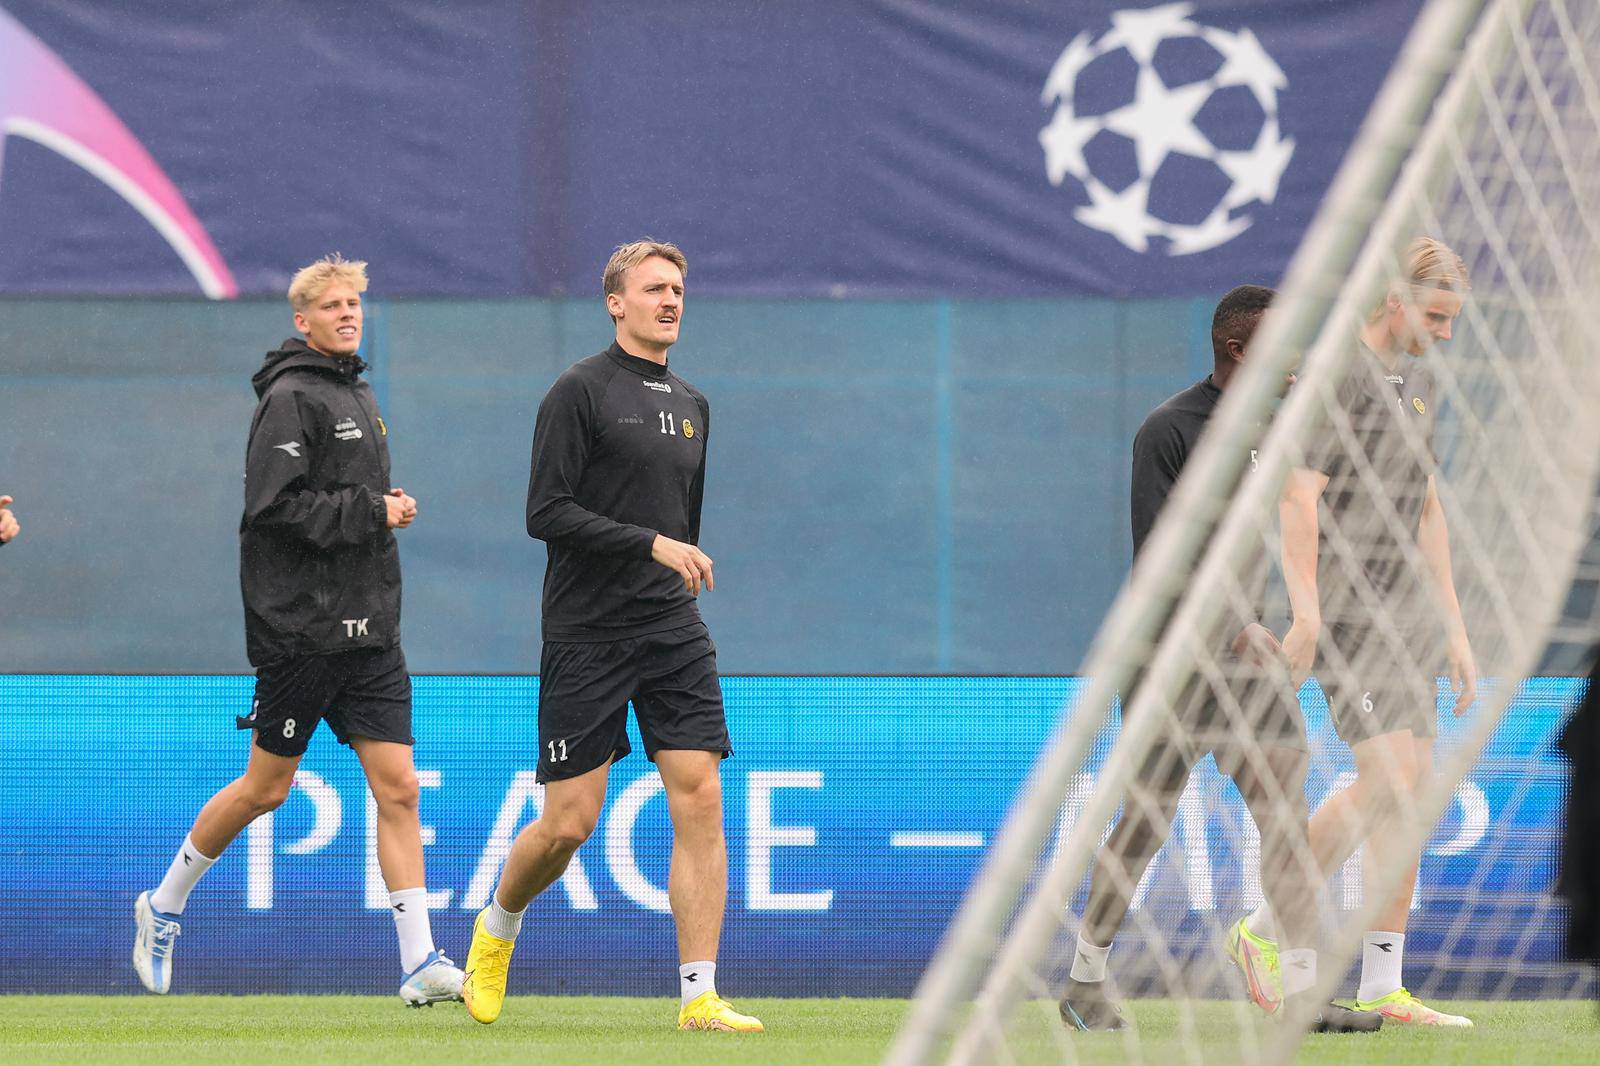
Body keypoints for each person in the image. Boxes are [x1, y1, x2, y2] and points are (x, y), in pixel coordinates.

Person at [131, 254, 463, 1006]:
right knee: (266, 789)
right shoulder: (290, 397)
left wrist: (381, 505)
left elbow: (342, 500)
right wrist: (372, 511)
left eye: (355, 303)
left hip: (372, 633)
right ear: (302, 320)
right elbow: (273, 512)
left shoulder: (358, 391)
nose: (349, 313)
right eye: (333, 305)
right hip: (305, 634)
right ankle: (164, 904)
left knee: (400, 788)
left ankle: (419, 963)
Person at [1059, 285, 1380, 1034]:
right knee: (1144, 825)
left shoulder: (1281, 427)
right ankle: (1084, 982)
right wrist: (1239, 624)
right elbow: (1161, 563)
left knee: (1285, 818)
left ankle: (1303, 994)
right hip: (1171, 665)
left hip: (1251, 668)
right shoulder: (1167, 431)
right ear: (1239, 350)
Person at [460, 239, 761, 1034]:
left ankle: (700, 994)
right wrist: (649, 543)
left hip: (671, 627)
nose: (671, 300)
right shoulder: (579, 392)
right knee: (569, 825)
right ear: (615, 302)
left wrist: (667, 556)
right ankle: (496, 928)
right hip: (586, 633)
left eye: (679, 289)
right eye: (655, 288)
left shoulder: (694, 405)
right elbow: (546, 513)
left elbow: (679, 529)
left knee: (699, 792)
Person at [1238, 237, 1477, 1027]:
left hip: (1406, 615)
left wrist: (1453, 624)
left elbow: (1428, 507)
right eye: (1437, 317)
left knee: (1413, 795)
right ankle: (1265, 928)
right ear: (1394, 300)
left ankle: (1383, 983)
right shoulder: (1335, 375)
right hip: (1348, 613)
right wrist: (1305, 609)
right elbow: (1297, 497)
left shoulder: (1417, 381)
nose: (1445, 334)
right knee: (1388, 783)